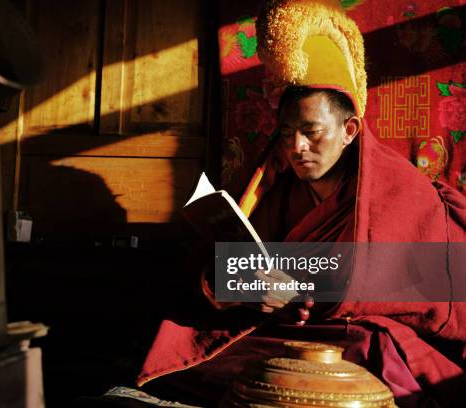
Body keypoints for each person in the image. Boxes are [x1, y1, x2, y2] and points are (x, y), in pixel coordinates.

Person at [136, 1, 466, 406]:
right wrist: (245, 287)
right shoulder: (277, 183)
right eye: (288, 132)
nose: (296, 147)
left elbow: (429, 282)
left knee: (371, 344)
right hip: (285, 327)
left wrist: (300, 285)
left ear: (349, 130)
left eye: (311, 132)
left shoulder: (397, 188)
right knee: (184, 343)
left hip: (345, 328)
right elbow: (221, 268)